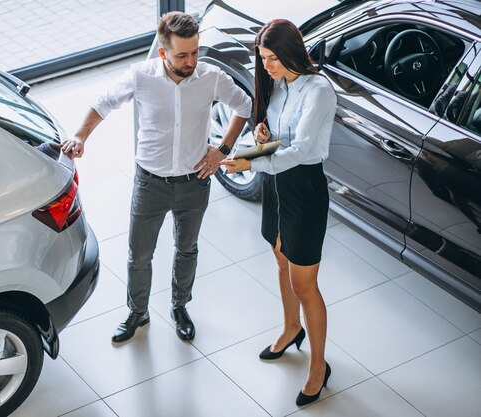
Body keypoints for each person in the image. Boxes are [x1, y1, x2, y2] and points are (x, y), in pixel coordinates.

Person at [62, 11, 252, 343]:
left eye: (195, 52)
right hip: (150, 184)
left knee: (187, 249)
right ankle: (138, 312)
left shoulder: (211, 77)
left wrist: (222, 148)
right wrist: (80, 136)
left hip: (195, 182)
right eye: (182, 54)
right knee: (140, 255)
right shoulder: (140, 77)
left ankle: (180, 307)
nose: (191, 60)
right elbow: (102, 104)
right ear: (163, 52)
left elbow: (245, 106)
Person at [221, 19, 336, 406]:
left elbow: (302, 152)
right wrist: (260, 142)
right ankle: (290, 329)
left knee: (305, 284)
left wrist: (250, 163)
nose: (266, 66)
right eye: (263, 58)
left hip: (304, 188)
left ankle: (319, 367)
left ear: (289, 52)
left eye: (271, 58)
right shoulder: (279, 84)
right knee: (280, 258)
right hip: (277, 185)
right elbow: (279, 142)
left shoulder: (317, 90)